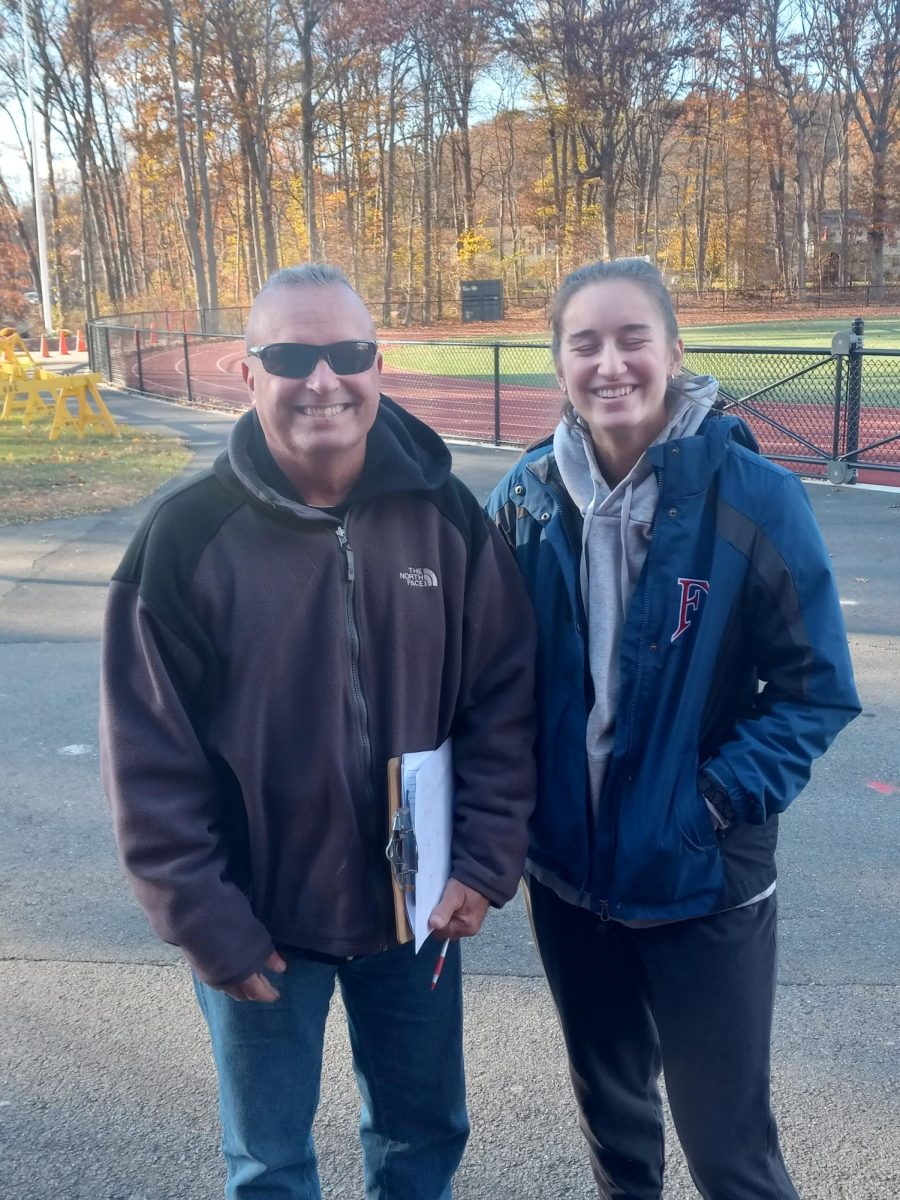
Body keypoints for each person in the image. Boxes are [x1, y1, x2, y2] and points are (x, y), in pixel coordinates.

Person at [100, 263, 536, 1200]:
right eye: (292, 355)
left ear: (379, 365)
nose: (322, 379)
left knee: (422, 1140)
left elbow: (502, 700)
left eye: (346, 353)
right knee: (268, 1165)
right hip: (259, 921)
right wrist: (208, 922)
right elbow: (149, 766)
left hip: (415, 915)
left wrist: (483, 861)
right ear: (247, 373)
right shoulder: (184, 538)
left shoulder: (447, 517)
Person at [486, 258, 860, 1200]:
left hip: (702, 874)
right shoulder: (525, 501)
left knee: (729, 1149)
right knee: (616, 1131)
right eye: (585, 344)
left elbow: (815, 689)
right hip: (571, 879)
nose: (610, 363)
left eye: (631, 338)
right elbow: (485, 683)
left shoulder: (753, 498)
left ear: (674, 351)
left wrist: (711, 800)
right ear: (560, 363)